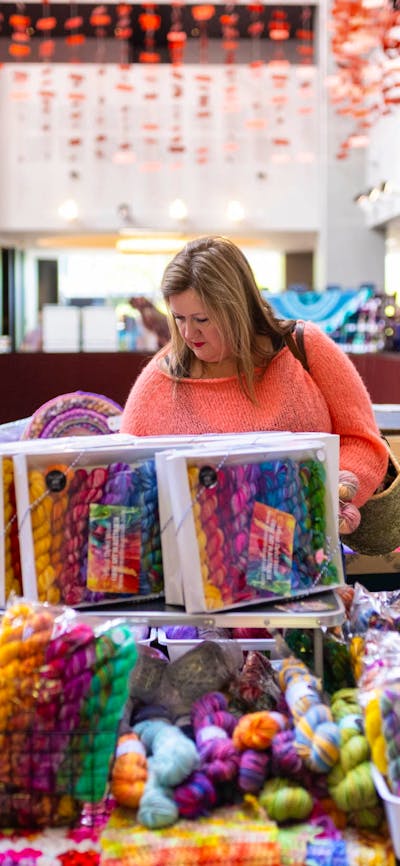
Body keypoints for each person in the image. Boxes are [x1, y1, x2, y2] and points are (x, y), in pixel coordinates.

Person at [120, 235, 388, 516]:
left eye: (201, 319)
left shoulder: (304, 348)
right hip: (195, 554)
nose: (188, 333)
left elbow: (362, 441)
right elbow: (123, 476)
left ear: (237, 309)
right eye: (178, 318)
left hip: (305, 546)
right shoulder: (160, 378)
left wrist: (338, 490)